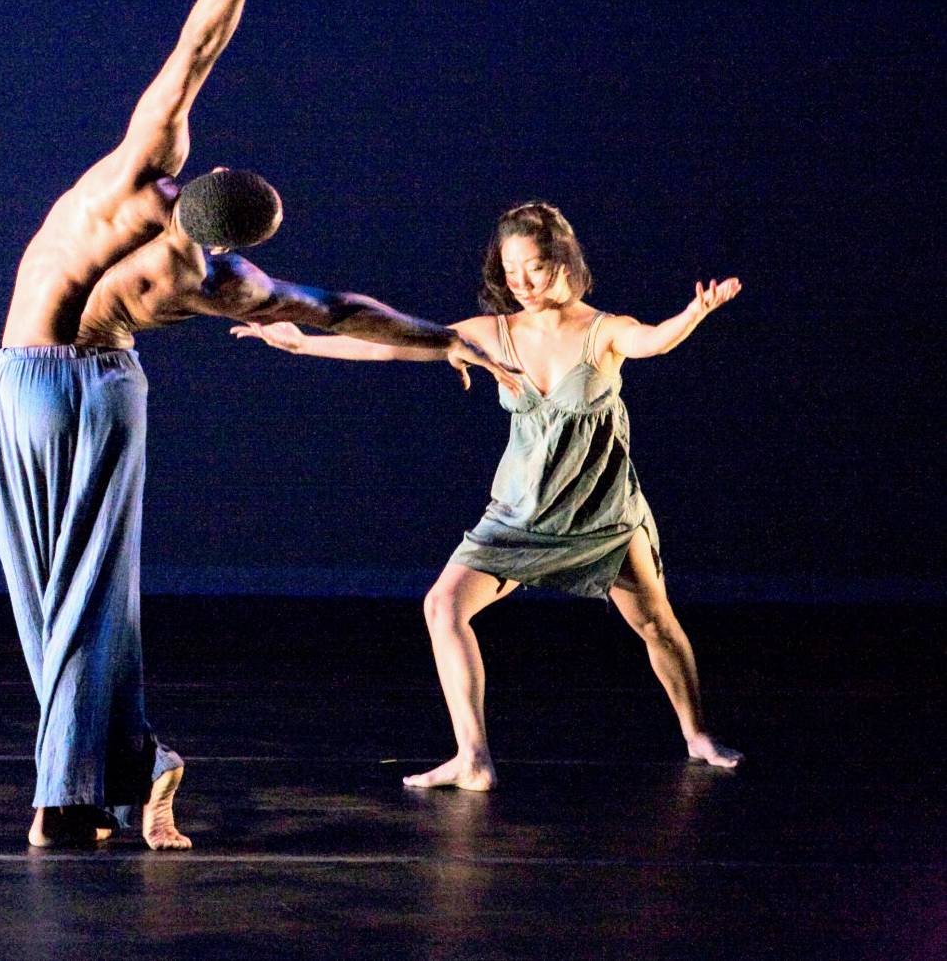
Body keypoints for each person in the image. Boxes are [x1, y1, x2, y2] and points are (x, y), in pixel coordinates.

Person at [0, 0, 519, 851]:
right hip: (79, 391)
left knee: (64, 590)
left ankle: (83, 788)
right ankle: (113, 773)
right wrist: (443, 339)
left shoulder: (134, 173)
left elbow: (196, 47)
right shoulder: (220, 283)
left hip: (36, 382)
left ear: (204, 178)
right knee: (70, 592)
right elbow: (339, 310)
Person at [232, 201, 744, 789]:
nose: (521, 283)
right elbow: (393, 344)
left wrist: (695, 313)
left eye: (535, 268)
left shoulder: (603, 331)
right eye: (509, 270)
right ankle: (473, 757)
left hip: (601, 513)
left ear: (565, 263)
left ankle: (697, 734)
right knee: (442, 607)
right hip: (520, 513)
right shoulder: (490, 335)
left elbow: (652, 340)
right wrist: (304, 345)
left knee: (655, 622)